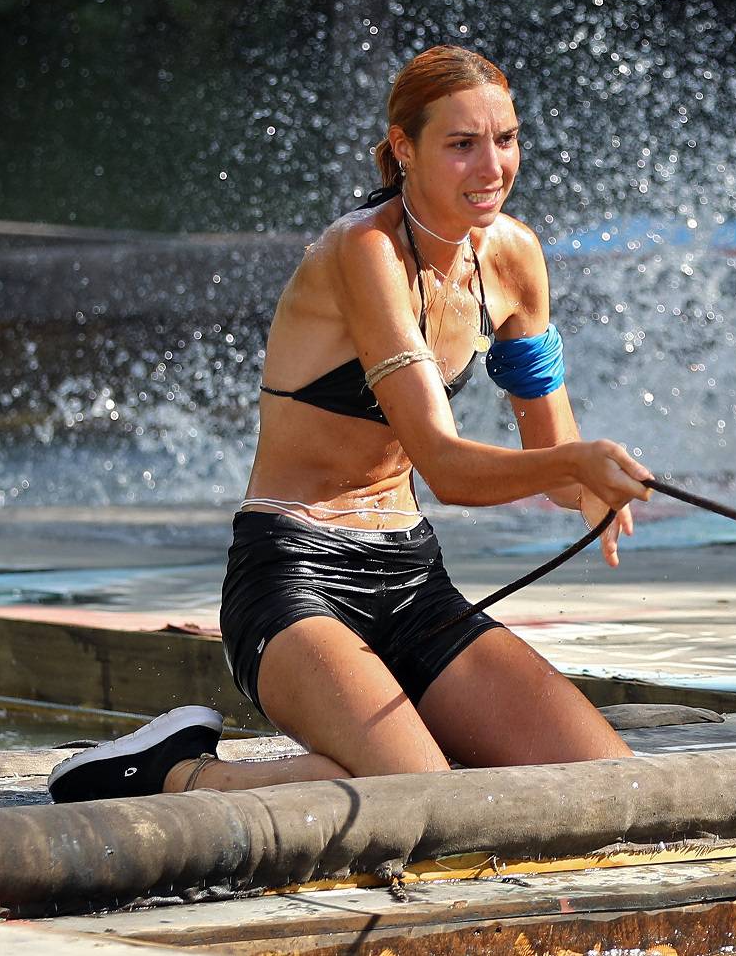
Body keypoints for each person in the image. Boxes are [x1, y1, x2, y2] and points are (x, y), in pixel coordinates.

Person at [48, 46, 653, 803]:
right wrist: (577, 464)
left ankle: (396, 752)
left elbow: (553, 455)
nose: (492, 166)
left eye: (506, 139)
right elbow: (448, 467)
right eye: (461, 145)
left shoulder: (515, 256)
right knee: (422, 799)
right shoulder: (363, 250)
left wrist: (596, 483)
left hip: (412, 581)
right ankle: (170, 769)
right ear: (404, 147)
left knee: (612, 786)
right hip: (293, 577)